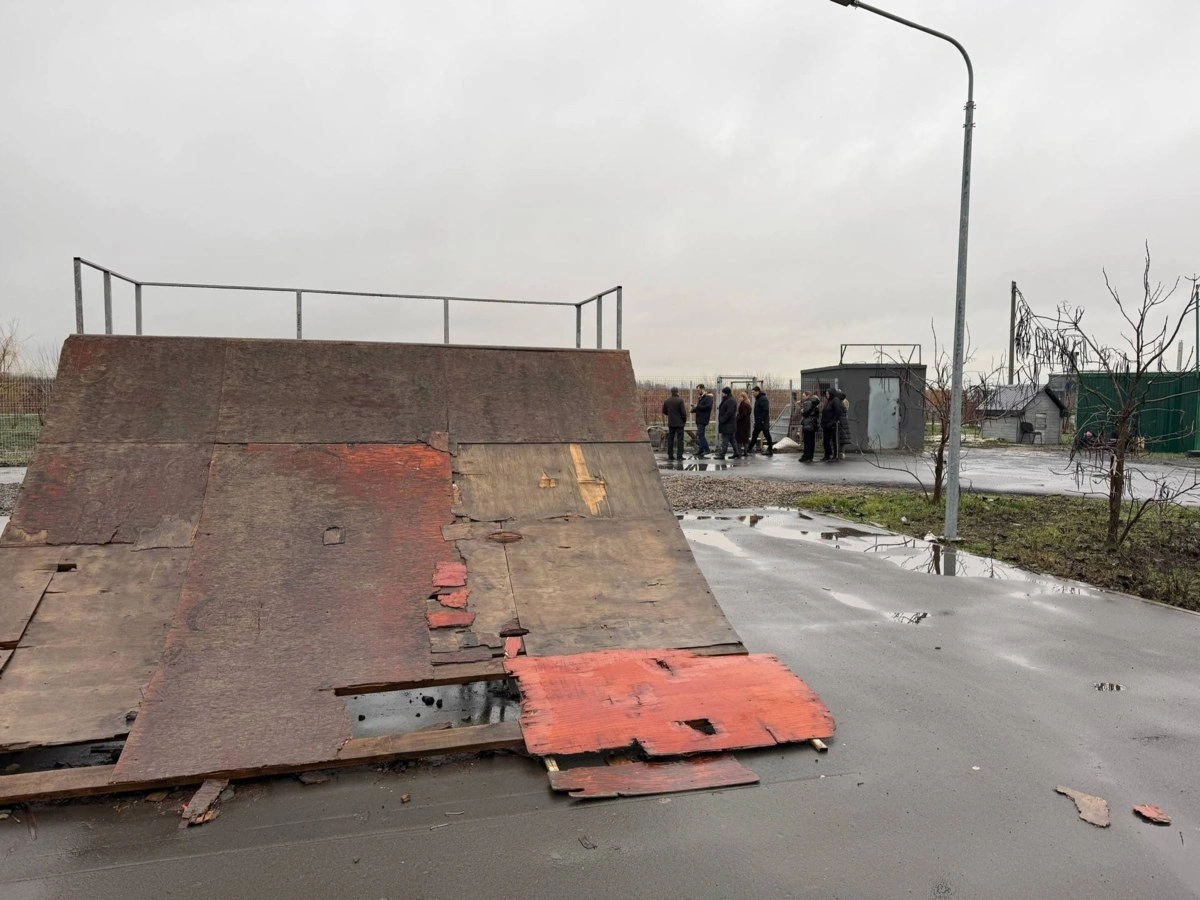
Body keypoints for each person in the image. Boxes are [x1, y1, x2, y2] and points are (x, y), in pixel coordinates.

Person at [661, 387, 687, 461]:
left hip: (671, 423)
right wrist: (684, 420)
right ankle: (679, 456)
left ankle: (670, 455)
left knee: (670, 439)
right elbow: (683, 413)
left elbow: (664, 411)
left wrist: (670, 415)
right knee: (680, 440)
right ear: (677, 392)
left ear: (671, 392)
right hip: (679, 423)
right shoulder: (680, 400)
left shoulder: (667, 401)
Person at [821, 388, 845, 461]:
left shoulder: (835, 400)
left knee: (835, 441)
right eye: (826, 394)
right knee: (826, 441)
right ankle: (827, 455)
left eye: (828, 394)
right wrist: (823, 423)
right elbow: (825, 412)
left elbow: (838, 412)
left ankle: (835, 456)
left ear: (831, 393)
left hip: (833, 425)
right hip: (826, 424)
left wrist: (833, 421)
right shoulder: (828, 401)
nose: (827, 395)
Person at [750, 385, 774, 455]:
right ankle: (749, 448)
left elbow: (765, 410)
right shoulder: (758, 399)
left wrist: (762, 420)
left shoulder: (763, 399)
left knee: (767, 435)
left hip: (763, 422)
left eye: (753, 392)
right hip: (759, 422)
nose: (752, 394)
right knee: (755, 435)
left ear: (757, 392)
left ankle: (770, 449)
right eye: (752, 392)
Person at [797, 390, 820, 462]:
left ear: (808, 396)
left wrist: (802, 410)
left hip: (808, 423)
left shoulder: (807, 402)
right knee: (811, 441)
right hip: (813, 423)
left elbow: (805, 412)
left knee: (807, 441)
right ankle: (810, 456)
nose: (803, 397)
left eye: (804, 396)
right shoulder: (815, 403)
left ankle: (806, 456)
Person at [691, 384, 713, 458]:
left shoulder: (708, 397)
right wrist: (693, 409)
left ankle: (707, 449)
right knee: (700, 435)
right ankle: (701, 450)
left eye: (698, 390)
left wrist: (697, 406)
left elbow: (708, 407)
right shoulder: (701, 397)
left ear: (702, 389)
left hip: (703, 419)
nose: (697, 391)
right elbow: (700, 408)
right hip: (699, 419)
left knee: (701, 434)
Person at [716, 386, 738, 459]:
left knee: (725, 440)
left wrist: (723, 419)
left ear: (726, 393)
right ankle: (736, 453)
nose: (722, 394)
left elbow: (729, 412)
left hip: (728, 424)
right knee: (732, 439)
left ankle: (722, 454)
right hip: (729, 424)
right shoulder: (727, 400)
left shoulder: (730, 401)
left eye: (723, 393)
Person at [736, 391, 752, 456]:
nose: (739, 398)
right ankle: (745, 452)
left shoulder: (743, 405)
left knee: (739, 438)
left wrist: (737, 418)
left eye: (740, 397)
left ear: (743, 397)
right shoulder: (748, 404)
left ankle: (739, 452)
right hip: (747, 423)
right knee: (745, 438)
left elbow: (743, 414)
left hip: (742, 424)